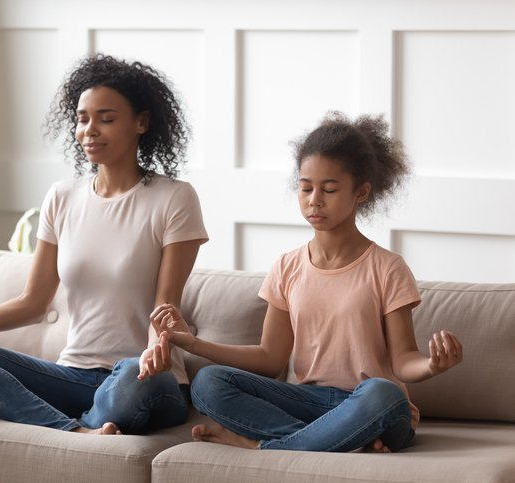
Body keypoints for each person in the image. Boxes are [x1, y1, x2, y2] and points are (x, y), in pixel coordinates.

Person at [0, 54, 208, 435]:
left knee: (130, 376)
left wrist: (153, 350)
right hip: (73, 377)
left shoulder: (173, 198)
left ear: (141, 123)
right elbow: (32, 303)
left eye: (106, 119)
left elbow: (165, 308)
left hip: (147, 379)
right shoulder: (62, 197)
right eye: (82, 119)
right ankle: (78, 432)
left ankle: (86, 422)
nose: (89, 130)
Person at [148, 112, 463, 452]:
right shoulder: (287, 266)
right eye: (305, 187)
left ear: (361, 192)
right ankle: (342, 439)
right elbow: (270, 358)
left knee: (381, 392)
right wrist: (192, 344)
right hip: (310, 402)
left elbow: (403, 361)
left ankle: (265, 445)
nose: (314, 199)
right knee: (209, 382)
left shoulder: (388, 268)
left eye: (329, 189)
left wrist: (432, 364)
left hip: (374, 405)